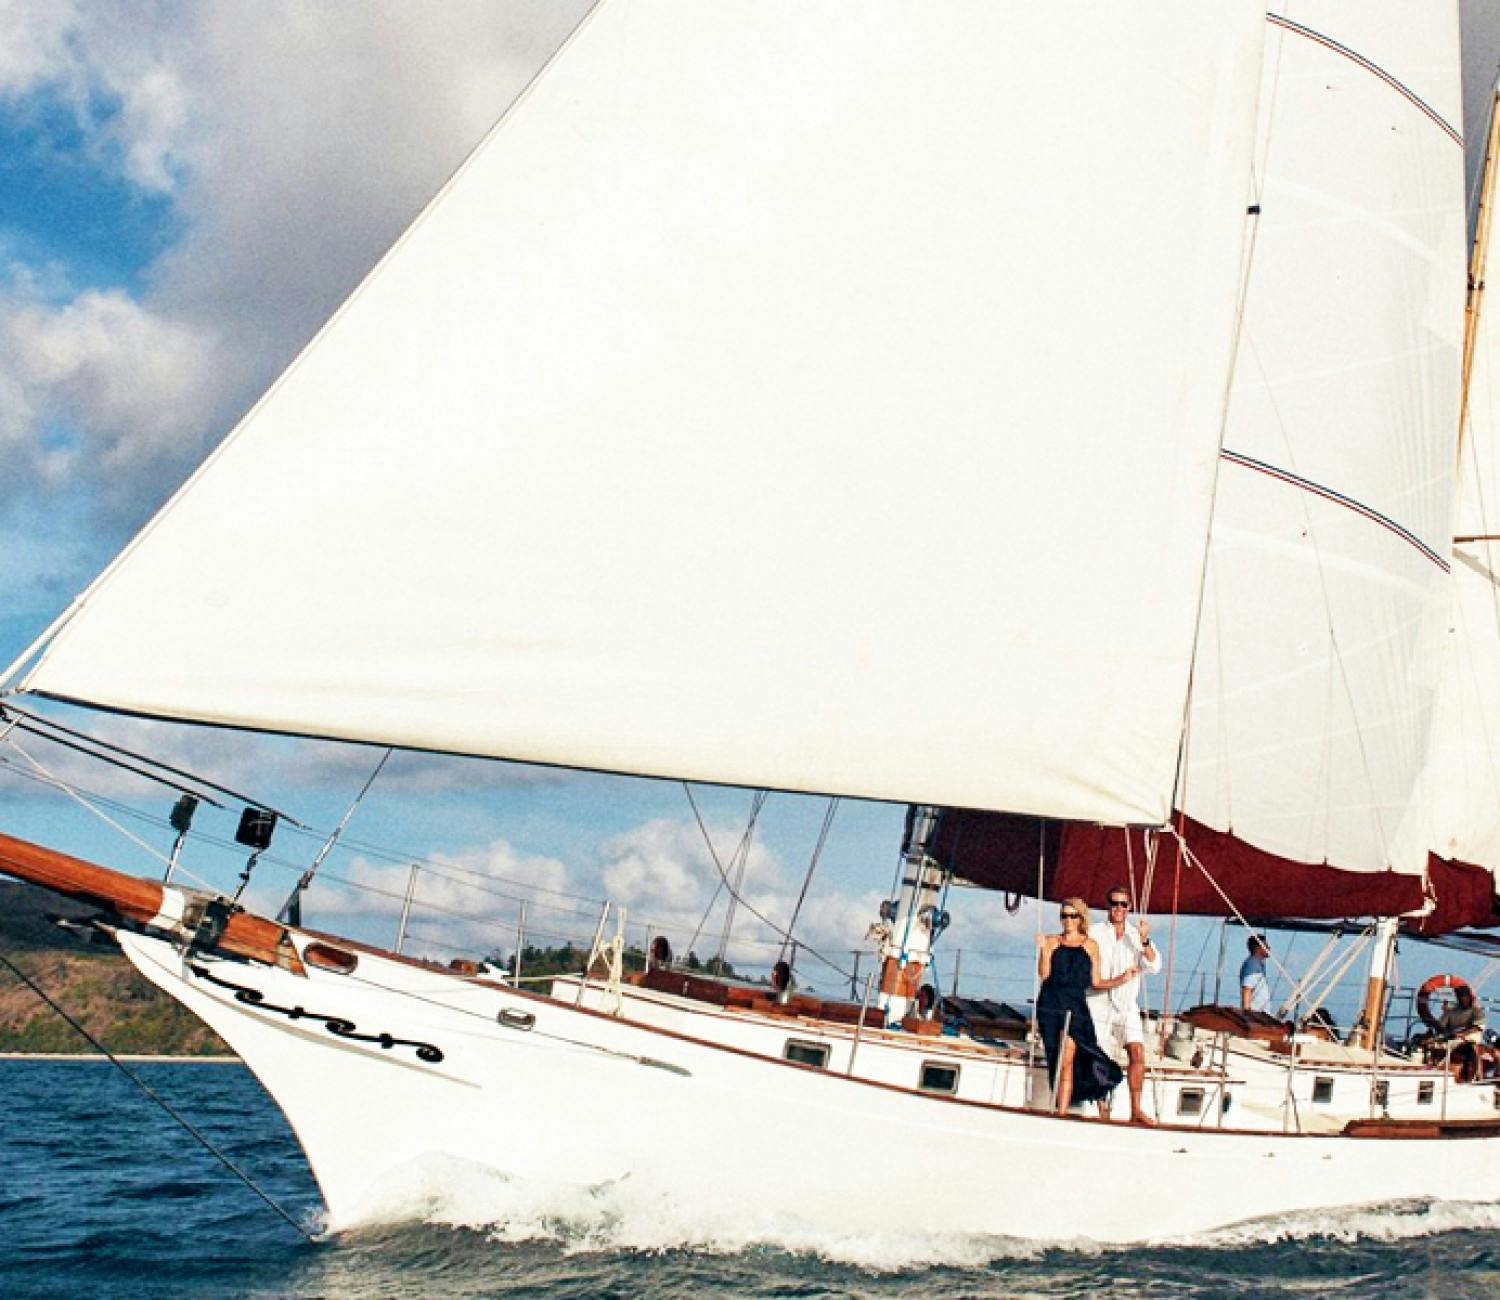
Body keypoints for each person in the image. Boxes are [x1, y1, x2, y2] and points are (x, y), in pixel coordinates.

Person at [1035, 898, 1126, 1117]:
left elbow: (1096, 981)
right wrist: (1044, 951)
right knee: (1056, 1057)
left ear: (1081, 918)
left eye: (1072, 916)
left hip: (1075, 1006)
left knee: (1070, 1058)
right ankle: (1062, 1108)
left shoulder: (1090, 945)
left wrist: (1121, 979)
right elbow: (1044, 975)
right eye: (1064, 916)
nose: (1067, 920)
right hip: (1050, 1004)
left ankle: (1064, 1111)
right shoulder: (1051, 942)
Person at [1087, 887, 1161, 1125]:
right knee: (1101, 1057)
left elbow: (1154, 965)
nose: (1118, 908)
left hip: (1126, 1003)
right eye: (1114, 903)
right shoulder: (1094, 932)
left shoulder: (1135, 935)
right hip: (1098, 1001)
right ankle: (1102, 1109)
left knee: (1137, 1052)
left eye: (1123, 904)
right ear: (1107, 905)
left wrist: (1145, 941)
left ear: (1130, 907)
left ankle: (1136, 1109)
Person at [1240, 936, 1271, 1015]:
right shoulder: (1253, 964)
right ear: (1257, 948)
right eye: (1266, 945)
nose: (1269, 947)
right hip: (1256, 1014)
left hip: (1260, 1013)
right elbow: (1247, 989)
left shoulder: (1258, 963)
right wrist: (1247, 1014)